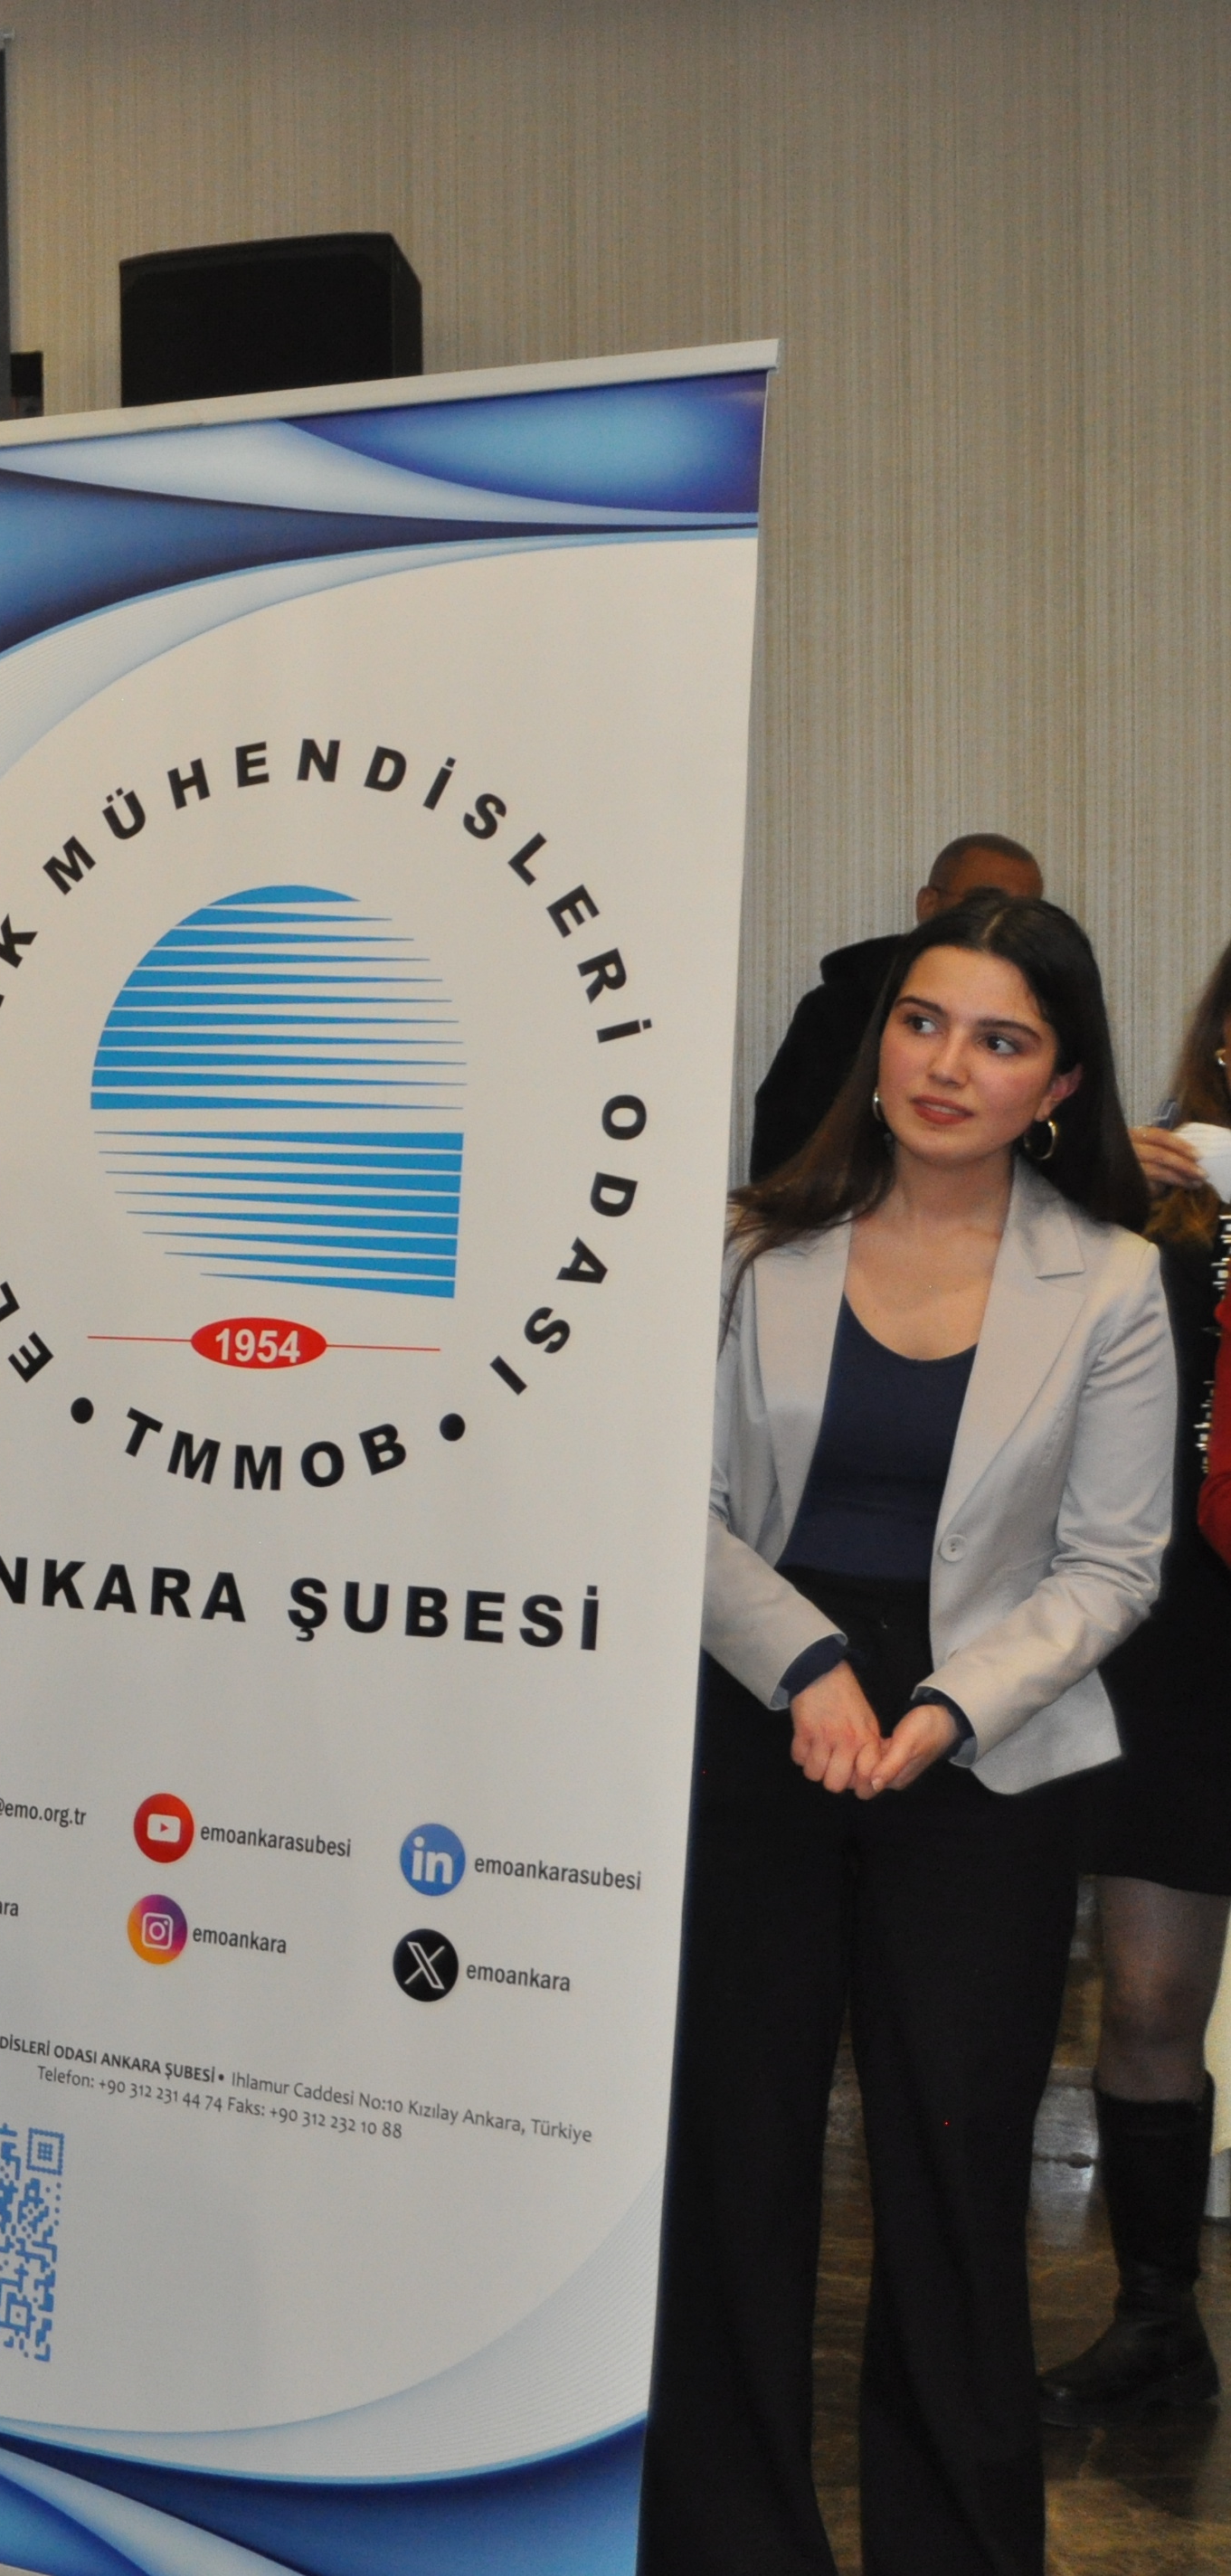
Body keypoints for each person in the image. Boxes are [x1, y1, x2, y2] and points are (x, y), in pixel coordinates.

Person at [648, 893, 1176, 2573]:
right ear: (877, 1043)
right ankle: (728, 2540)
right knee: (734, 2154)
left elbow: (1113, 1563)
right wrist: (803, 1662)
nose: (947, 1064)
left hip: (986, 1754)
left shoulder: (1112, 1283)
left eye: (999, 1041)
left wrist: (946, 1705)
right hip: (758, 1713)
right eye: (922, 1021)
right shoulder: (746, 1244)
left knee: (952, 2169)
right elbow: (666, 1500)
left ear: (1059, 1085)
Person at [1037, 934, 1231, 2426]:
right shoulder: (1149, 1210)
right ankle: (1157, 2321)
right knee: (1151, 1993)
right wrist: (1083, 1172)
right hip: (1182, 1646)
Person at [744, 832, 1045, 1179]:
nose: (1002, 923)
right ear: (928, 904)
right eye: (920, 1025)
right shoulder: (842, 1011)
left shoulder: (1044, 1021)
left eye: (997, 1043)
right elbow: (785, 1161)